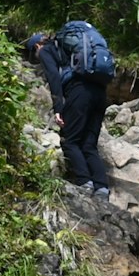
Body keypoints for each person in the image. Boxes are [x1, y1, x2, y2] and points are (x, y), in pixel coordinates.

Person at [25, 18, 116, 195]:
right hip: (100, 93)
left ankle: (84, 183)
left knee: (69, 140)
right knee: (89, 144)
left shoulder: (46, 51)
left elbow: (54, 78)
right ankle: (102, 188)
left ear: (36, 46)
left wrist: (58, 108)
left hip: (79, 92)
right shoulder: (68, 48)